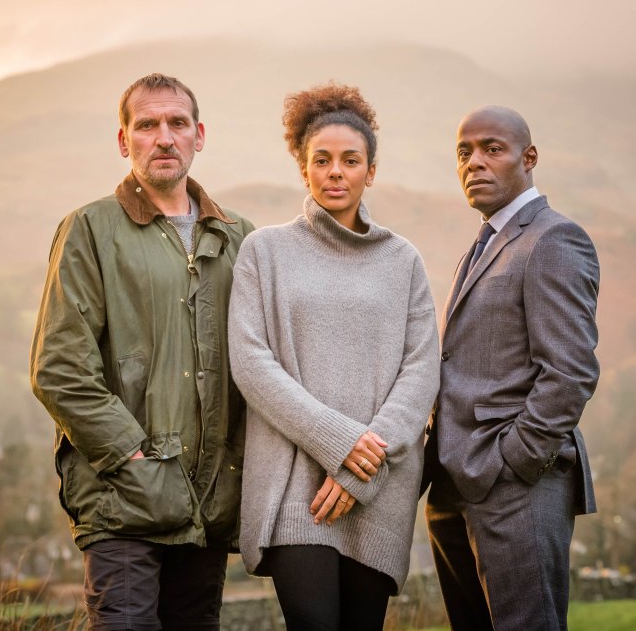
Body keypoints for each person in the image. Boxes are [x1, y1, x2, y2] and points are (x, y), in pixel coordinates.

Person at [29, 73, 254, 631]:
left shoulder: (239, 238)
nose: (164, 137)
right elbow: (59, 369)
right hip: (122, 499)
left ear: (199, 135)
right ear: (123, 139)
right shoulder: (89, 229)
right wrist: (134, 458)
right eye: (147, 124)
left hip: (208, 500)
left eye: (177, 123)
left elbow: (262, 365)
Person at [228, 83, 440, 630]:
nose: (335, 172)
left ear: (371, 170)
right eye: (321, 160)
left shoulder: (403, 261)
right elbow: (251, 363)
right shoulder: (264, 252)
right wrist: (341, 445)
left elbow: (421, 371)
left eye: (351, 160)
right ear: (303, 168)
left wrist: (361, 470)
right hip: (295, 485)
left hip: (378, 487)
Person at [423, 105, 600, 631]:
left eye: (491, 149)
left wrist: (513, 462)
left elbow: (569, 374)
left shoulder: (553, 240)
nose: (474, 162)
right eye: (463, 152)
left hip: (515, 487)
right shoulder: (485, 244)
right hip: (454, 485)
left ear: (529, 158)